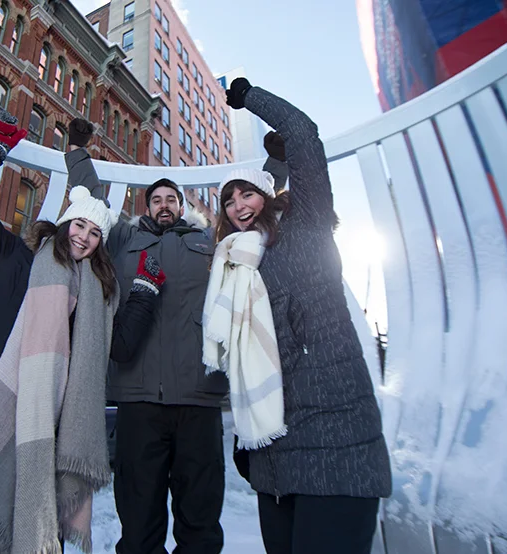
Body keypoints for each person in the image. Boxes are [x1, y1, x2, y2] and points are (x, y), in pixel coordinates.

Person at [0, 110, 166, 554]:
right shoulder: (16, 259)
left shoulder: (98, 296)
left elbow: (120, 346)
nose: (84, 238)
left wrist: (142, 292)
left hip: (52, 433)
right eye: (79, 225)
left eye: (95, 233)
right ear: (65, 223)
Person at [210, 78, 392, 554]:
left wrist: (250, 98)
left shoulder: (307, 225)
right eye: (228, 202)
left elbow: (304, 133)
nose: (238, 207)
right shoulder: (235, 269)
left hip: (337, 444)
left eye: (246, 194)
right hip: (276, 456)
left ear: (268, 196)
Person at [65, 118, 228, 554]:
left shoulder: (209, 243)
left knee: (201, 517)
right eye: (155, 199)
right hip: (138, 399)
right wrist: (78, 152)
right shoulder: (122, 239)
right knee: (138, 517)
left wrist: (276, 169)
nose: (163, 204)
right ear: (146, 206)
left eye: (170, 199)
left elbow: (254, 221)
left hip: (198, 397)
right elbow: (92, 202)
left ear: (181, 205)